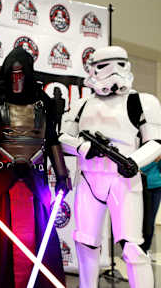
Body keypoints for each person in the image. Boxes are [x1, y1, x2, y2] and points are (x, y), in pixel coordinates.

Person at [59, 46, 161, 288]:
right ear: (93, 69)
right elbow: (61, 137)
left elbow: (155, 142)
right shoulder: (82, 104)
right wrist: (82, 147)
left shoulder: (142, 101)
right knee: (85, 243)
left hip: (124, 180)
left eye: (119, 63)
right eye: (105, 65)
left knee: (134, 250)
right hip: (88, 179)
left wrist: (135, 161)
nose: (113, 71)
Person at [0, 46, 69, 288]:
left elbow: (52, 139)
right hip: (0, 182)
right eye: (13, 74)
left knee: (39, 236)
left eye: (21, 74)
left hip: (34, 183)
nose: (17, 80)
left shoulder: (42, 103)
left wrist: (62, 174)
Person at [141, 157, 161, 253]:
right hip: (145, 187)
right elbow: (141, 169)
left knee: (151, 219)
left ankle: (146, 248)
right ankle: (142, 248)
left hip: (158, 187)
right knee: (146, 220)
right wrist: (154, 161)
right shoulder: (145, 153)